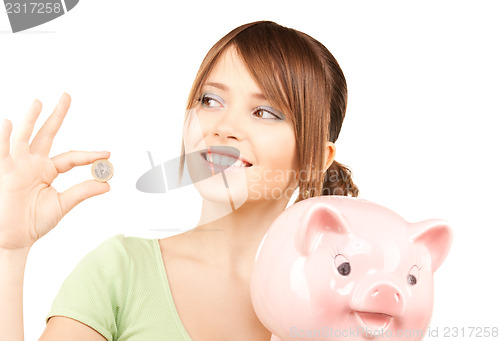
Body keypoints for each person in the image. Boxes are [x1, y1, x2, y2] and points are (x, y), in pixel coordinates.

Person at [0, 20, 358, 340]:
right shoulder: (121, 272)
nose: (224, 127)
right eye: (210, 100)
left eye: (263, 111)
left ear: (315, 159)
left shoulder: (342, 299)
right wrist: (9, 251)